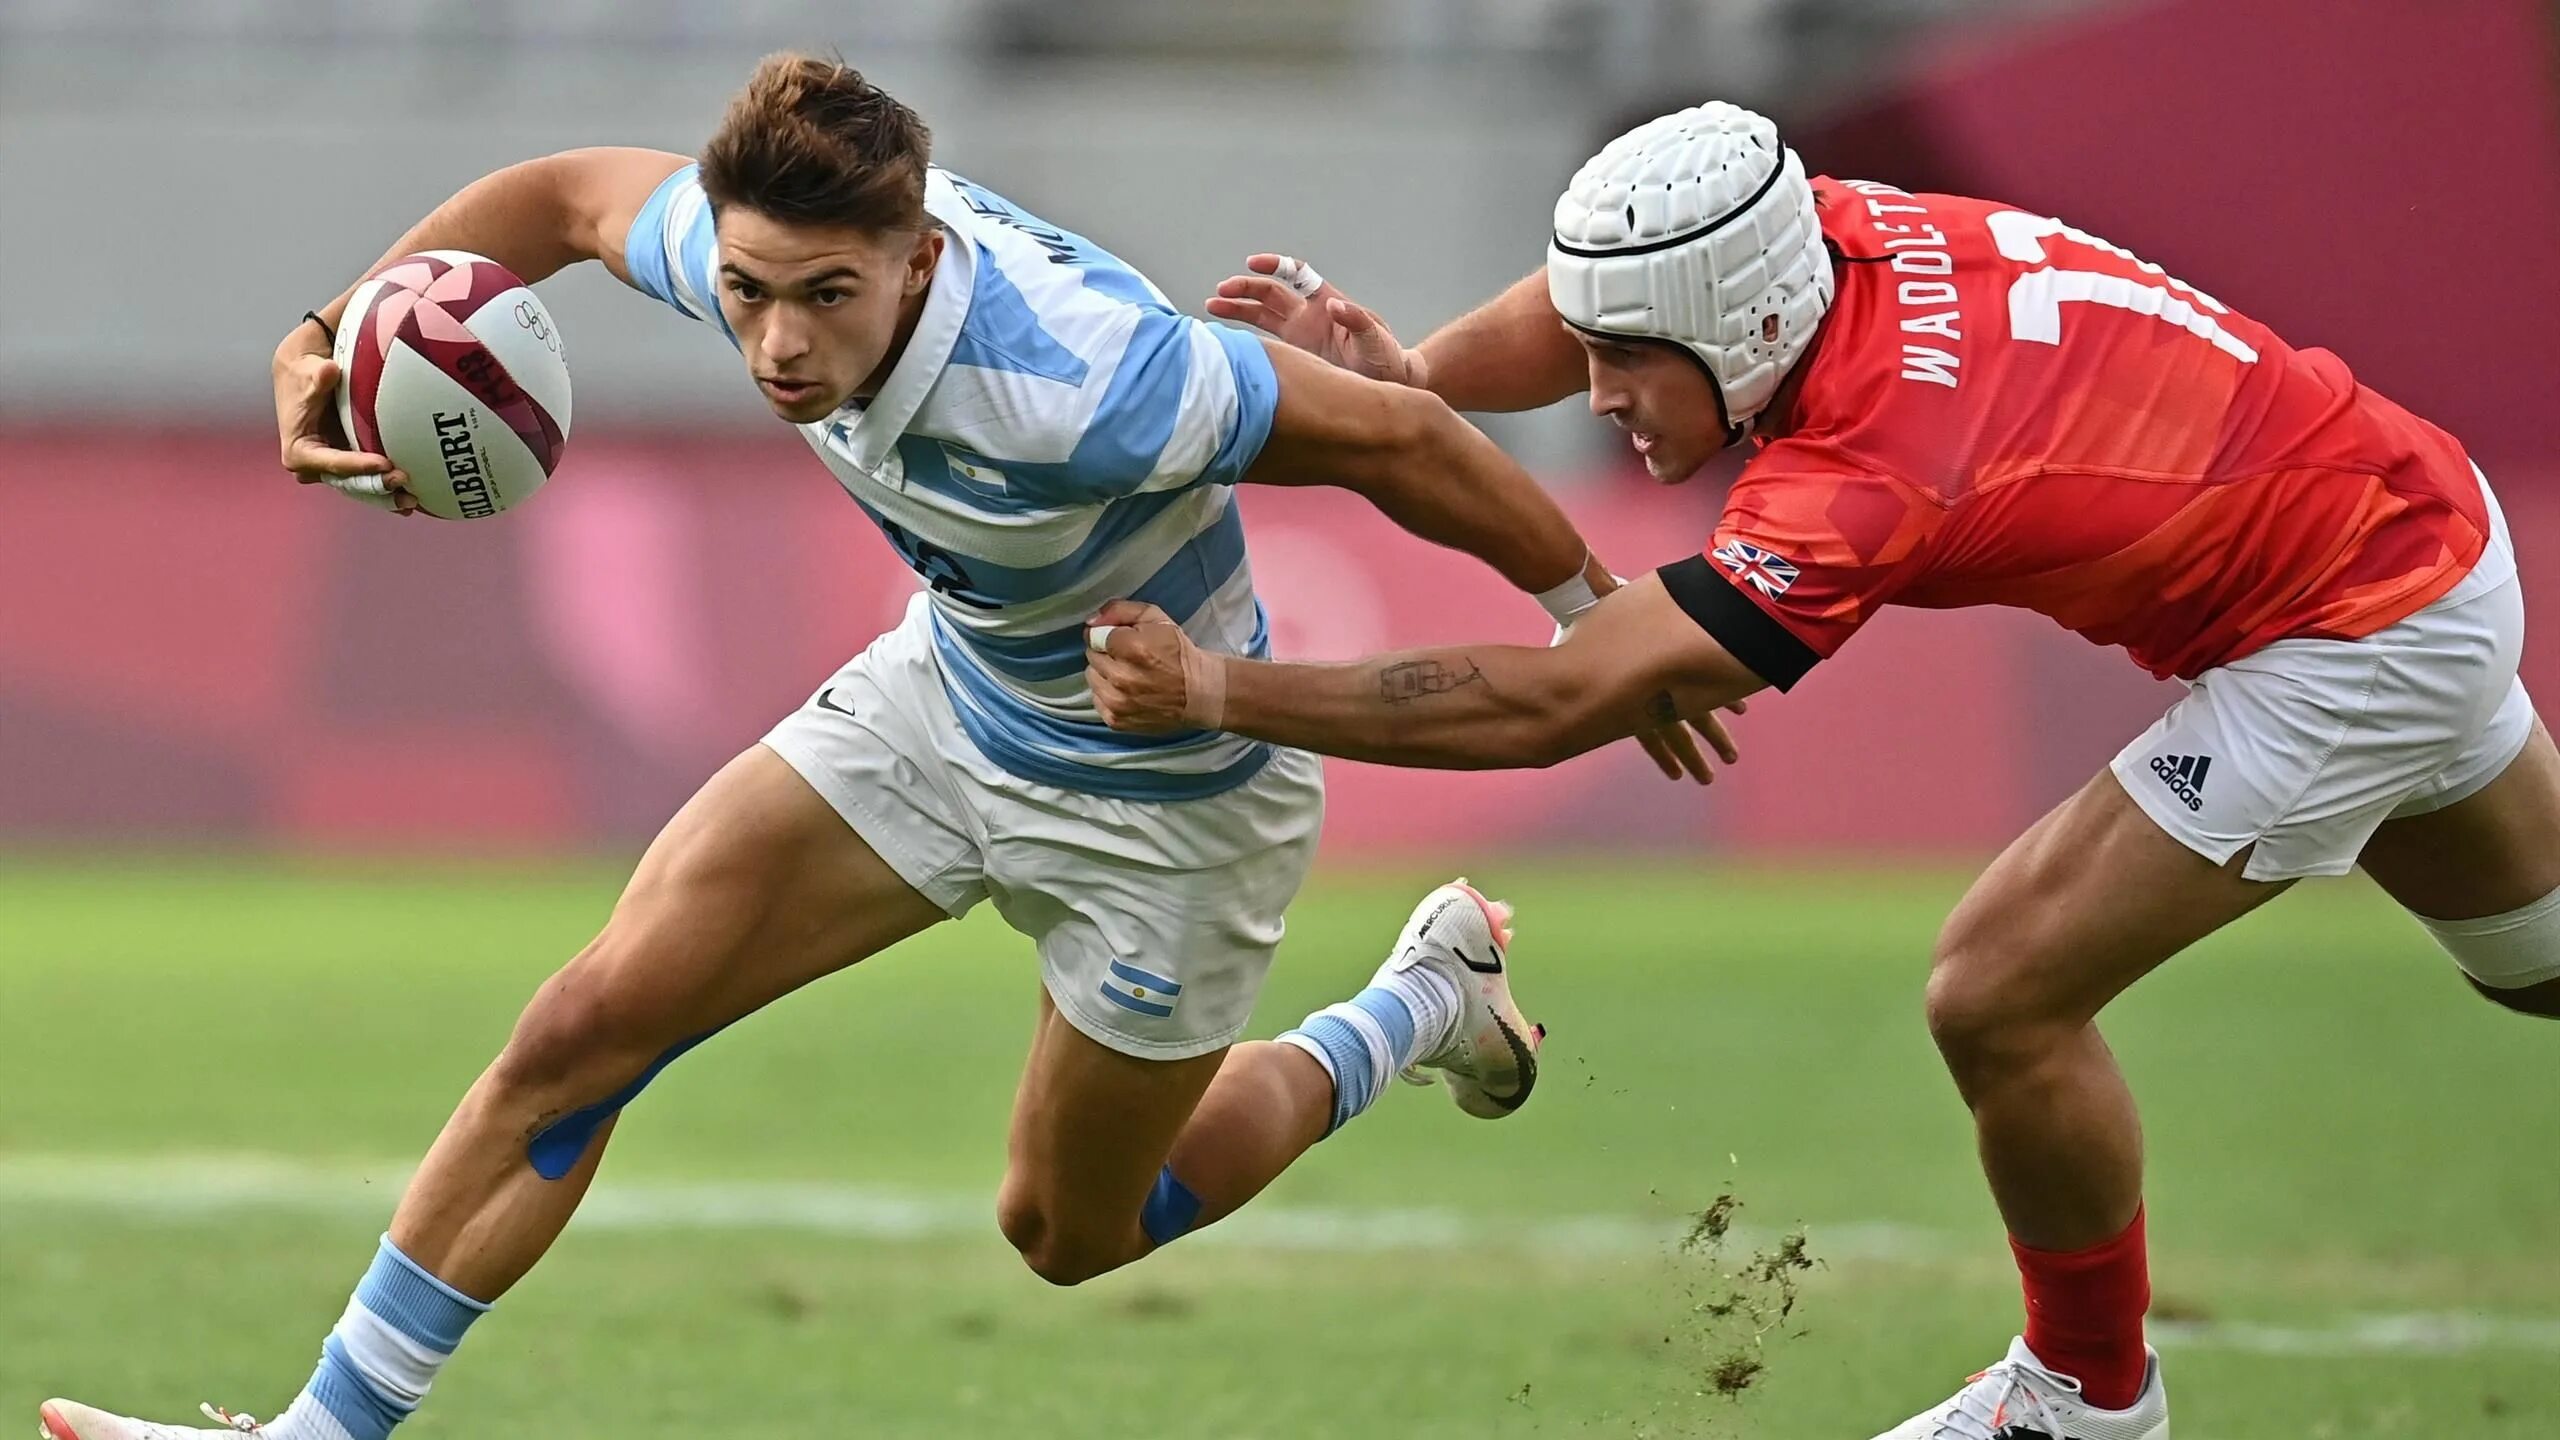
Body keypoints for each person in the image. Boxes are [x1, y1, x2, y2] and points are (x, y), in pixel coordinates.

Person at [34, 54, 1728, 1440]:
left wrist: (1603, 614)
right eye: (755, 293)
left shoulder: (1093, 382)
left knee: (1073, 1232)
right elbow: (557, 200)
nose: (778, 346)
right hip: (950, 703)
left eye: (825, 300)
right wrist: (338, 325)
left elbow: (1399, 440)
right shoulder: (738, 251)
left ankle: (1420, 1000)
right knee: (586, 1027)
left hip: (1168, 801)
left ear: (918, 261)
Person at [1084, 100, 2560, 1440]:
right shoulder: (1816, 238)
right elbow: (1592, 302)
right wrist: (1416, 381)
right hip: (2412, 519)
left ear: (1741, 326)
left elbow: (1560, 703)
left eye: (1626, 365)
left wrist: (1222, 687)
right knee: (2540, 965)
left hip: (2353, 622)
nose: (1595, 394)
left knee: (1997, 989)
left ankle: (2086, 1400)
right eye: (1594, 352)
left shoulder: (1868, 473)